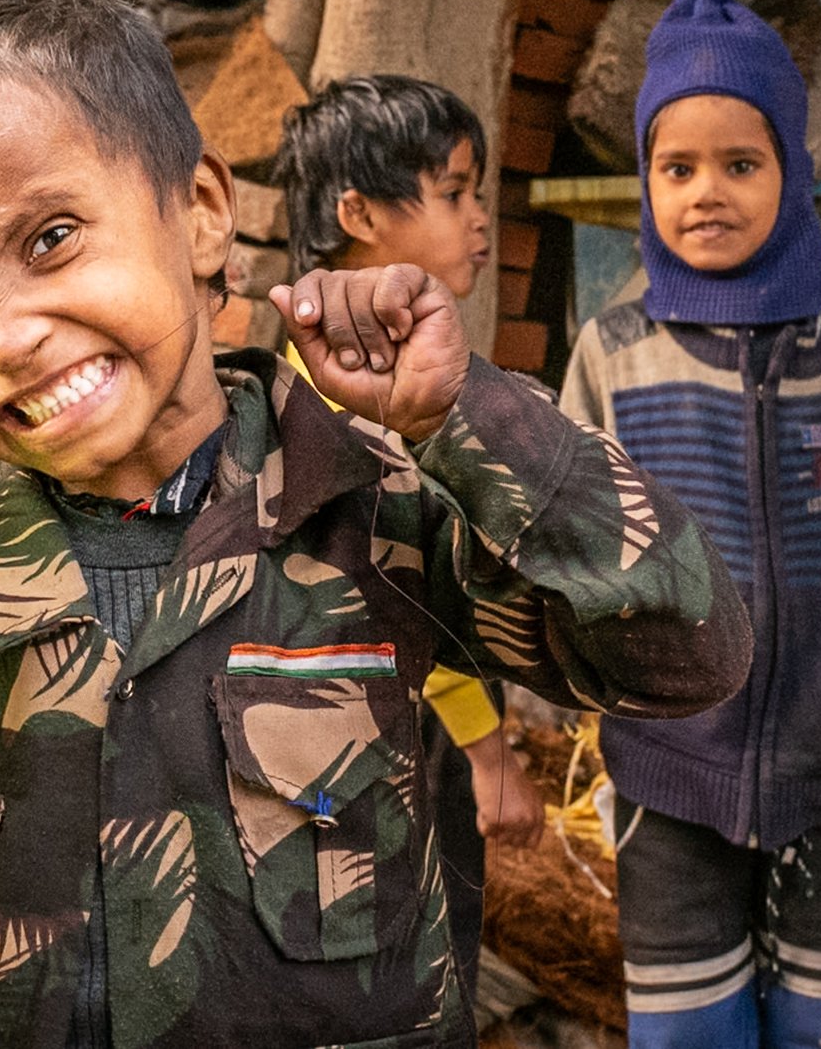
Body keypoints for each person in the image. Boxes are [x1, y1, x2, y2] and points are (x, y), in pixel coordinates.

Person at [0, 0, 754, 1049]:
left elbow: (679, 657)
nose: (4, 336)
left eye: (50, 238)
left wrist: (467, 415)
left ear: (200, 211)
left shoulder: (379, 500)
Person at [557, 0, 821, 1049]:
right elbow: (566, 526)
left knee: (820, 1018)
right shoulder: (615, 353)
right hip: (667, 765)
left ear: (792, 175)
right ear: (644, 179)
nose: (707, 191)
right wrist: (617, 648)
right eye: (676, 166)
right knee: (688, 1026)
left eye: (740, 163)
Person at [269, 76, 547, 1008]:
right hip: (403, 746)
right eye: (456, 191)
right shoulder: (363, 389)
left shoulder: (295, 368)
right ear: (358, 212)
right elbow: (404, 583)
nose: (479, 220)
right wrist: (489, 753)